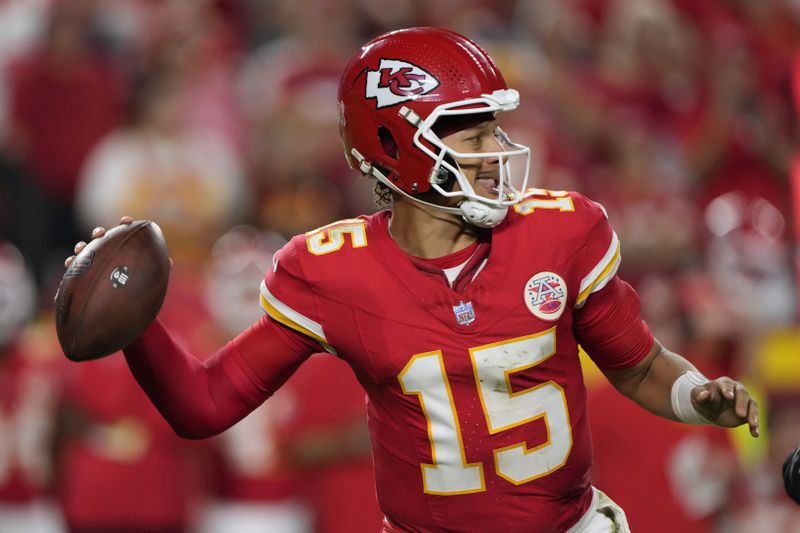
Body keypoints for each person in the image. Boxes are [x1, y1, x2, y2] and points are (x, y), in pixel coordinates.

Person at [66, 27, 760, 533]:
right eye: (469, 132)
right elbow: (206, 403)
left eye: (493, 128)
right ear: (391, 147)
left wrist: (696, 395)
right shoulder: (330, 270)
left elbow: (636, 365)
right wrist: (135, 325)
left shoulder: (561, 230)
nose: (496, 152)